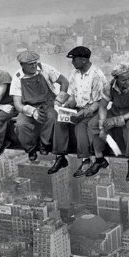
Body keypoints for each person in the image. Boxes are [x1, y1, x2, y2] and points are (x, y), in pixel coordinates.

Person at [48, 46, 107, 177]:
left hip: (92, 110)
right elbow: (73, 96)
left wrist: (84, 113)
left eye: (74, 59)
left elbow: (98, 102)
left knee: (80, 126)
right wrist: (66, 106)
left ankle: (86, 160)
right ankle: (60, 156)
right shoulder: (74, 73)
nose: (72, 62)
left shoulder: (96, 75)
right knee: (60, 121)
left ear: (84, 60)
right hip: (78, 108)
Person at [87, 62, 129, 181]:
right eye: (124, 80)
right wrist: (103, 125)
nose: (127, 82)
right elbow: (103, 106)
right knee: (93, 124)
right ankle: (99, 158)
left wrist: (116, 120)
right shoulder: (109, 86)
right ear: (116, 78)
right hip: (115, 110)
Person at [10, 50, 69, 161]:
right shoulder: (17, 78)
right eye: (30, 63)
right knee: (20, 125)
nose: (34, 65)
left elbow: (64, 82)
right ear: (22, 65)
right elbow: (17, 104)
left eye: (35, 62)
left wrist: (59, 101)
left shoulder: (45, 69)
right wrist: (32, 112)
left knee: (51, 118)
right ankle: (30, 149)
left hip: (47, 104)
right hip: (29, 106)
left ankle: (44, 144)